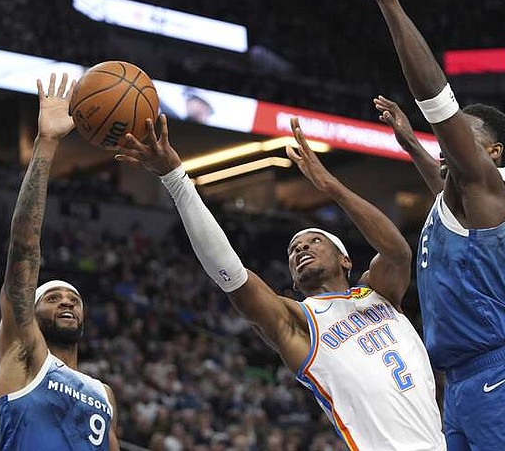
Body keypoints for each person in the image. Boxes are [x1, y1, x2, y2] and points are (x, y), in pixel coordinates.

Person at [349, 0, 505, 449]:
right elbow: (440, 183)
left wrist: (388, 2)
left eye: (463, 135)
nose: (448, 140)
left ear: (491, 153)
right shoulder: (463, 200)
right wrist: (410, 144)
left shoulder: (491, 187)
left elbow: (434, 93)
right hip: (463, 385)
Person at [115, 115, 446, 450]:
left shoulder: (378, 293)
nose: (301, 247)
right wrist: (175, 178)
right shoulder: (298, 322)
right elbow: (230, 275)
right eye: (293, 249)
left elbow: (399, 252)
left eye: (315, 240)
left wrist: (331, 187)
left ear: (346, 260)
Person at [0, 73, 119, 450]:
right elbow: (24, 246)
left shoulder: (103, 393)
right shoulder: (24, 349)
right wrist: (46, 143)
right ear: (29, 310)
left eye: (74, 299)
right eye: (53, 297)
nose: (67, 301)